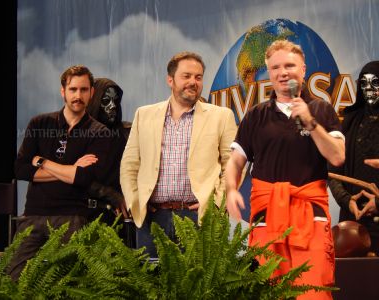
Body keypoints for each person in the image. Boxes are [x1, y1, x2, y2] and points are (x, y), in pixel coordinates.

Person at [225, 40, 345, 300]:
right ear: (269, 73)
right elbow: (235, 161)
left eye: (289, 65)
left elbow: (337, 157)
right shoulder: (256, 115)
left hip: (310, 217)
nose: (283, 72)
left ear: (303, 69)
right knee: (268, 291)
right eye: (275, 67)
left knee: (313, 291)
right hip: (267, 219)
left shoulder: (321, 110)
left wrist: (310, 122)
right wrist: (231, 189)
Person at [120, 51, 237, 257]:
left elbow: (233, 164)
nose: (193, 82)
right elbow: (129, 165)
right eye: (187, 76)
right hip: (151, 218)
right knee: (151, 285)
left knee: (202, 286)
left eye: (198, 77)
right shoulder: (144, 115)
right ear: (170, 80)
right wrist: (135, 201)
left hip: (200, 217)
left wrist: (216, 204)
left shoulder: (221, 116)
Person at [8, 65, 112, 281]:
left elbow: (84, 178)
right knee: (15, 279)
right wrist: (71, 169)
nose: (78, 95)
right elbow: (21, 169)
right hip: (33, 215)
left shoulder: (100, 132)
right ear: (63, 91)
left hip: (73, 217)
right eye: (73, 89)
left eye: (84, 90)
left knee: (71, 282)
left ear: (92, 93)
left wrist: (43, 162)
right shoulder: (39, 123)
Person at [328, 60, 379, 256]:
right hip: (354, 221)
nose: (369, 89)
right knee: (355, 280)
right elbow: (333, 172)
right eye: (364, 84)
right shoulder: (349, 122)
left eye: (375, 83)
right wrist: (347, 200)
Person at [86, 78, 131, 225]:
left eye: (115, 100)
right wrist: (112, 195)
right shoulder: (78, 134)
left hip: (123, 215)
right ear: (95, 100)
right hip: (87, 214)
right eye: (106, 100)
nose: (112, 106)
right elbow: (74, 177)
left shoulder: (128, 133)